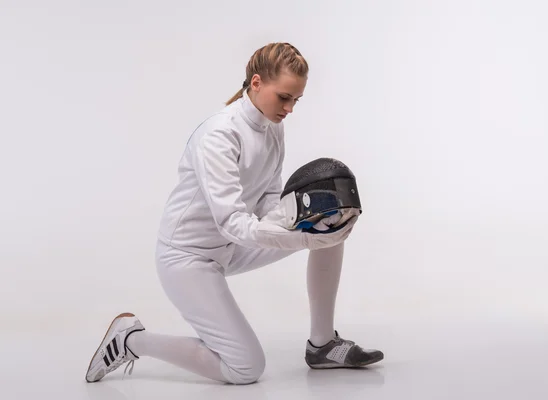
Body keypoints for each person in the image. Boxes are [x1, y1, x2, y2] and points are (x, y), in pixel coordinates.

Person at [85, 42, 383, 385]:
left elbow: (270, 198)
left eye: (296, 100)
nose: (289, 109)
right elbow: (232, 223)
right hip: (188, 258)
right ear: (255, 83)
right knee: (245, 368)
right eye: (284, 97)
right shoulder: (218, 136)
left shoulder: (273, 127)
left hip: (233, 246)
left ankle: (322, 345)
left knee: (329, 230)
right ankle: (131, 339)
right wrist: (297, 236)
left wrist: (311, 224)